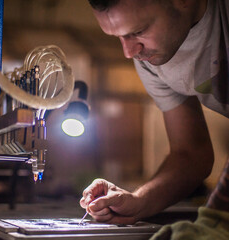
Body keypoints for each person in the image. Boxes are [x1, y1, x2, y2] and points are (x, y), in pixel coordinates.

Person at [80, 0, 229, 239]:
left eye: (138, 31)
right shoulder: (150, 57)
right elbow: (192, 153)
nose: (129, 52)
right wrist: (138, 201)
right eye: (119, 36)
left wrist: (215, 222)